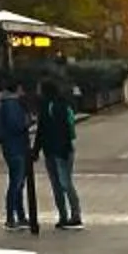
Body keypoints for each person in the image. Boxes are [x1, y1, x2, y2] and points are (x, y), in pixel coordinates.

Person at [36, 77, 81, 228]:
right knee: (63, 183)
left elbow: (41, 131)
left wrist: (36, 150)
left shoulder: (50, 107)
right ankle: (71, 215)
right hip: (62, 150)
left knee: (61, 184)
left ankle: (69, 215)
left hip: (55, 150)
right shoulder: (61, 104)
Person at [0, 80, 34, 230]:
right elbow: (16, 125)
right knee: (16, 183)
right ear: (17, 89)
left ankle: (19, 216)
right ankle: (12, 217)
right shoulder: (11, 104)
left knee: (18, 182)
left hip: (10, 146)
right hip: (16, 146)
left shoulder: (2, 103)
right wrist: (27, 122)